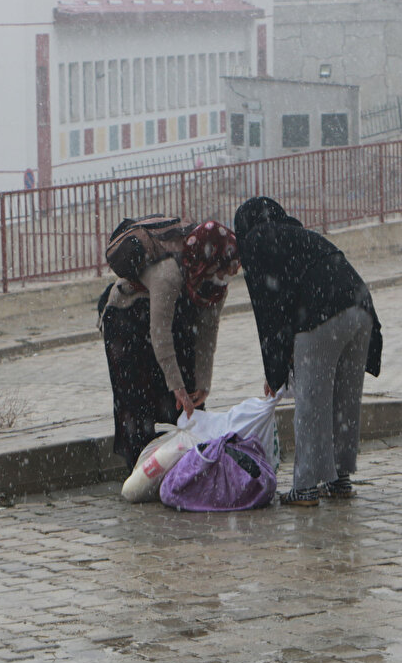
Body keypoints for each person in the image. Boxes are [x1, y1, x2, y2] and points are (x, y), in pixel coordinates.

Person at [233, 197, 382, 507]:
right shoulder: (301, 235)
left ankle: (304, 488)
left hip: (321, 315)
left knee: (312, 404)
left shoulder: (257, 242)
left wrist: (274, 369)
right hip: (361, 309)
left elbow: (270, 310)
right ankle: (339, 479)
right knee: (344, 402)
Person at [98, 220, 238, 469]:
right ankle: (141, 470)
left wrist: (203, 383)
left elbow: (207, 331)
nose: (226, 277)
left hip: (172, 323)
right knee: (137, 401)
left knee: (186, 400)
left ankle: (181, 467)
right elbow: (159, 333)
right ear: (208, 261)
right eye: (222, 270)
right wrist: (177, 386)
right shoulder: (169, 272)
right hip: (127, 320)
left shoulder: (215, 282)